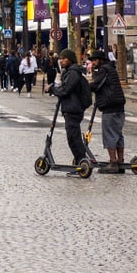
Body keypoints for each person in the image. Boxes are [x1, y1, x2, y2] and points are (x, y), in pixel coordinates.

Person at [48, 48, 92, 177]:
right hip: (71, 108)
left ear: (70, 59)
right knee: (73, 137)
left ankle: (81, 162)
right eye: (60, 58)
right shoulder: (70, 72)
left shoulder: (73, 74)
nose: (61, 61)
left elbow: (65, 90)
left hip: (73, 109)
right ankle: (80, 161)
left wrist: (52, 89)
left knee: (74, 138)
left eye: (64, 58)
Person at [88, 49, 126, 174]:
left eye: (94, 60)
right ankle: (120, 160)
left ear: (101, 60)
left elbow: (96, 85)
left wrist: (85, 86)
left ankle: (113, 162)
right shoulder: (111, 69)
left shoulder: (104, 70)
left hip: (110, 106)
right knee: (118, 134)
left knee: (109, 134)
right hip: (119, 105)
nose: (93, 63)